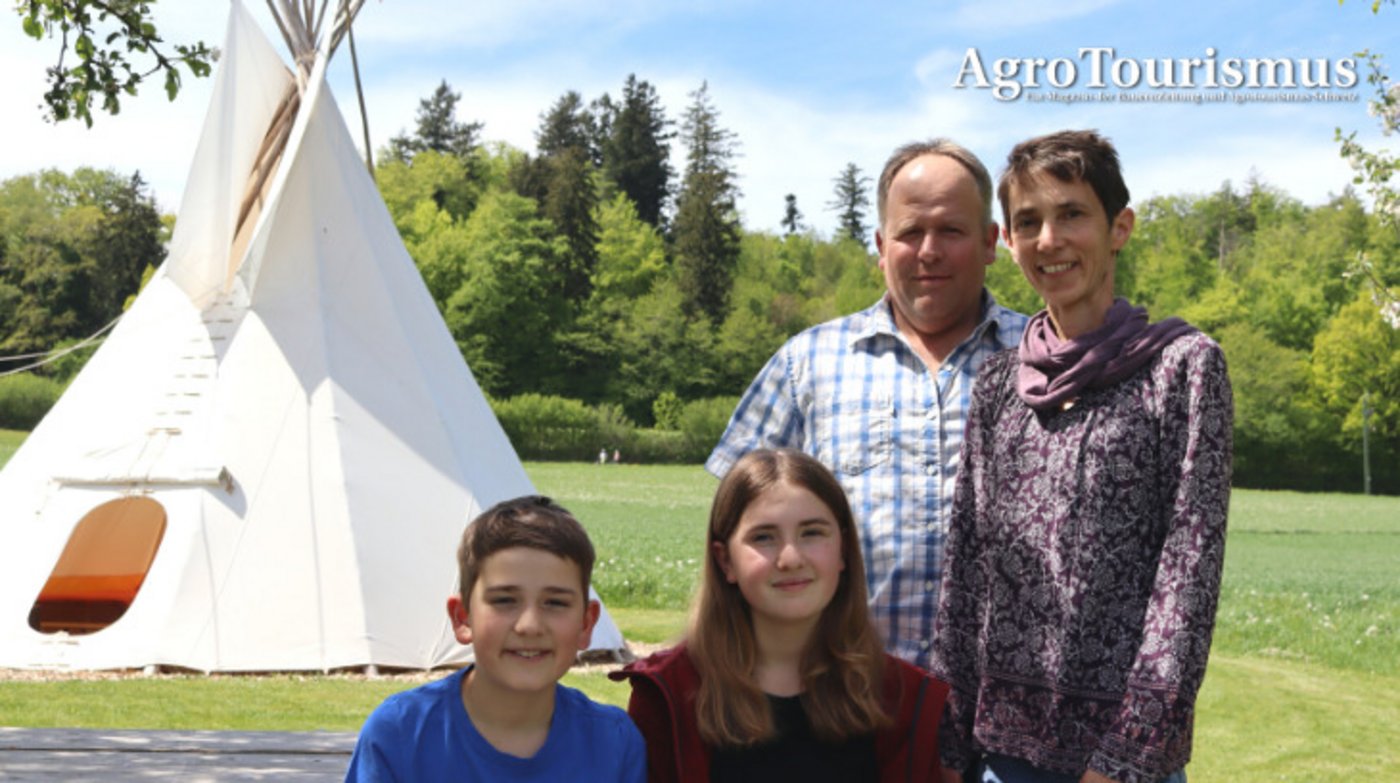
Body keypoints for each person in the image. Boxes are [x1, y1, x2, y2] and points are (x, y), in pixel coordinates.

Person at [930, 130, 1233, 783]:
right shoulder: (995, 387)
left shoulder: (1181, 369)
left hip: (1121, 762)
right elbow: (967, 571)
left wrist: (1125, 758)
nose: (1049, 239)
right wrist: (950, 745)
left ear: (1118, 226)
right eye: (1028, 222)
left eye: (1071, 214)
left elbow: (1187, 576)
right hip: (1001, 757)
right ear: (1007, 241)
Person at [708, 140, 1029, 669]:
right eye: (910, 233)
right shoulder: (806, 363)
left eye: (951, 230)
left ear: (992, 241)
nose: (929, 251)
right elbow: (736, 530)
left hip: (1008, 711)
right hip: (840, 700)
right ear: (882, 246)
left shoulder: (1046, 359)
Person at [611, 448, 949, 783]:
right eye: (764, 537)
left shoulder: (906, 700)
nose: (791, 558)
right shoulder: (668, 697)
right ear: (725, 560)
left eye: (812, 532)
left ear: (843, 549)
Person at [345, 495, 645, 782]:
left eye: (555, 603)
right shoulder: (400, 734)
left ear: (586, 623)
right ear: (463, 618)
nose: (530, 625)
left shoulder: (613, 743)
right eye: (504, 600)